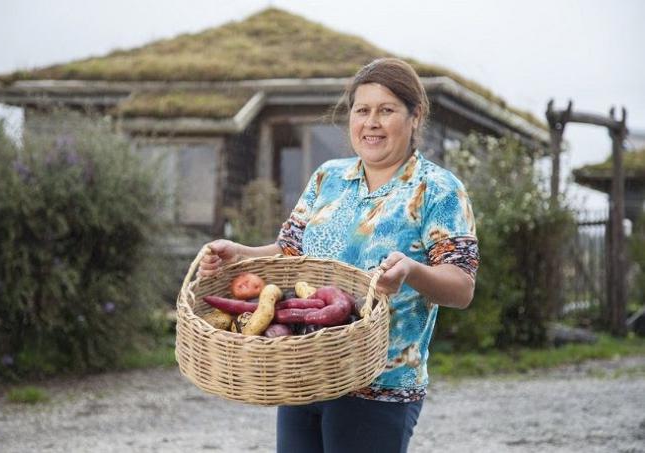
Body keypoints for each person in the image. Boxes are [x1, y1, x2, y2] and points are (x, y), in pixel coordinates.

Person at [198, 57, 479, 453]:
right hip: (305, 372)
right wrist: (240, 255)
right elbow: (290, 254)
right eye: (362, 110)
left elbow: (462, 288)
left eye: (387, 110)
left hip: (381, 384)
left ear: (415, 117)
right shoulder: (328, 178)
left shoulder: (437, 189)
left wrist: (412, 271)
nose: (372, 122)